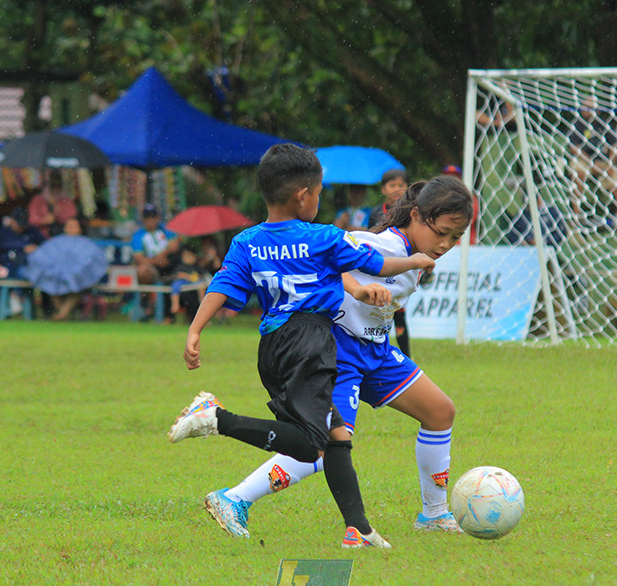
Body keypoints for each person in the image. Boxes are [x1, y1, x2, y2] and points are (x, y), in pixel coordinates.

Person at [167, 143, 434, 548]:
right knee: (311, 446)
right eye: (320, 192)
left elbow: (221, 286)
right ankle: (215, 419)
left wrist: (195, 330)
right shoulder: (323, 237)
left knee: (337, 433)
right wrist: (414, 262)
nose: (320, 199)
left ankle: (358, 529)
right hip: (310, 341)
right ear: (303, 196)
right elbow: (377, 263)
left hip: (273, 346)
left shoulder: (248, 241)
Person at [202, 175, 474, 539]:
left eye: (455, 238)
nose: (446, 244)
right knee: (326, 445)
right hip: (337, 350)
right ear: (417, 216)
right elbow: (327, 259)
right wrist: (359, 288)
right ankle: (234, 498)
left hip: (375, 350)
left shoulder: (417, 256)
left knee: (440, 412)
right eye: (441, 232)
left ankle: (434, 515)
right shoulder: (379, 243)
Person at [368, 168, 412, 355]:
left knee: (399, 314)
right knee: (378, 311)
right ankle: (374, 348)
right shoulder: (376, 213)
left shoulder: (411, 212)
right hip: (379, 268)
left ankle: (407, 356)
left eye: (401, 185)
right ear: (383, 189)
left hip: (401, 268)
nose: (397, 189)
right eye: (392, 185)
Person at [568, 97, 617, 225]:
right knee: (578, 172)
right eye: (585, 108)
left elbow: (614, 146)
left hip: (604, 162)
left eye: (591, 108)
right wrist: (591, 163)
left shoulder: (603, 124)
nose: (587, 111)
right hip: (584, 161)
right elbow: (574, 148)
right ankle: (577, 216)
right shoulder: (577, 124)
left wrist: (611, 165)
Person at [0, 207, 45, 319]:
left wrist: (35, 249)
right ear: (12, 220)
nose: (21, 228)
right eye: (18, 224)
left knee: (27, 277)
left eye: (23, 225)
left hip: (23, 267)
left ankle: (19, 302)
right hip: (3, 266)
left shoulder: (32, 232)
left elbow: (45, 246)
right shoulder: (3, 233)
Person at [131, 203, 180, 320]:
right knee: (142, 271)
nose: (151, 220)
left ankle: (166, 313)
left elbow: (174, 246)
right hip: (152, 268)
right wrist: (155, 261)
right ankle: (147, 303)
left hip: (169, 266)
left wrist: (162, 255)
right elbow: (138, 257)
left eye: (153, 217)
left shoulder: (166, 229)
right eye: (148, 217)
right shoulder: (139, 235)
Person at [27, 171, 78, 239]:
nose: (56, 189)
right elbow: (31, 220)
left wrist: (57, 211)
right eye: (53, 185)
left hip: (63, 237)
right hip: (40, 238)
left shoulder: (67, 200)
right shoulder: (37, 200)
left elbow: (72, 219)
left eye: (58, 186)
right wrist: (43, 220)